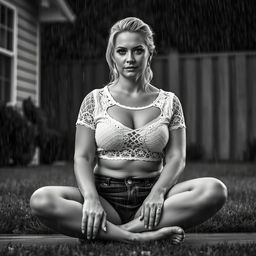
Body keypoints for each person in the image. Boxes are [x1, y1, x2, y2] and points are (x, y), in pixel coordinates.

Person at [30, 17, 227, 244]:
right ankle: (136, 237)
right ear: (112, 55)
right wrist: (91, 199)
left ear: (149, 53)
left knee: (215, 189)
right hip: (105, 197)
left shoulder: (169, 102)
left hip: (153, 202)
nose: (130, 59)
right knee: (41, 199)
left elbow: (176, 157)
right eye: (122, 51)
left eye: (138, 51)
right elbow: (82, 157)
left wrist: (157, 194)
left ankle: (113, 233)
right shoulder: (94, 100)